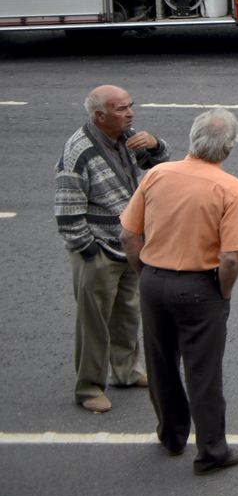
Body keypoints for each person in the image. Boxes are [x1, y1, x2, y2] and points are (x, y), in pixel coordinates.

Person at [118, 107, 238, 474]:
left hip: (153, 280)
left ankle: (171, 435)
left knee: (160, 365)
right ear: (229, 147)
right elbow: (230, 258)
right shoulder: (229, 188)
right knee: (203, 371)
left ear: (193, 138)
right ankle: (211, 450)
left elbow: (129, 234)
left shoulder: (158, 174)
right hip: (199, 287)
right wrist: (222, 293)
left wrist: (146, 273)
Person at [56, 84, 169, 414]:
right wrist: (89, 251)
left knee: (127, 313)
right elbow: (67, 211)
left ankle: (125, 371)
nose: (130, 113)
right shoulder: (78, 152)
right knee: (94, 322)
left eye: (130, 105)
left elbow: (161, 165)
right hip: (99, 250)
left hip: (128, 244)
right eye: (120, 109)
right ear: (99, 116)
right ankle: (89, 386)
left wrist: (155, 143)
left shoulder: (128, 138)